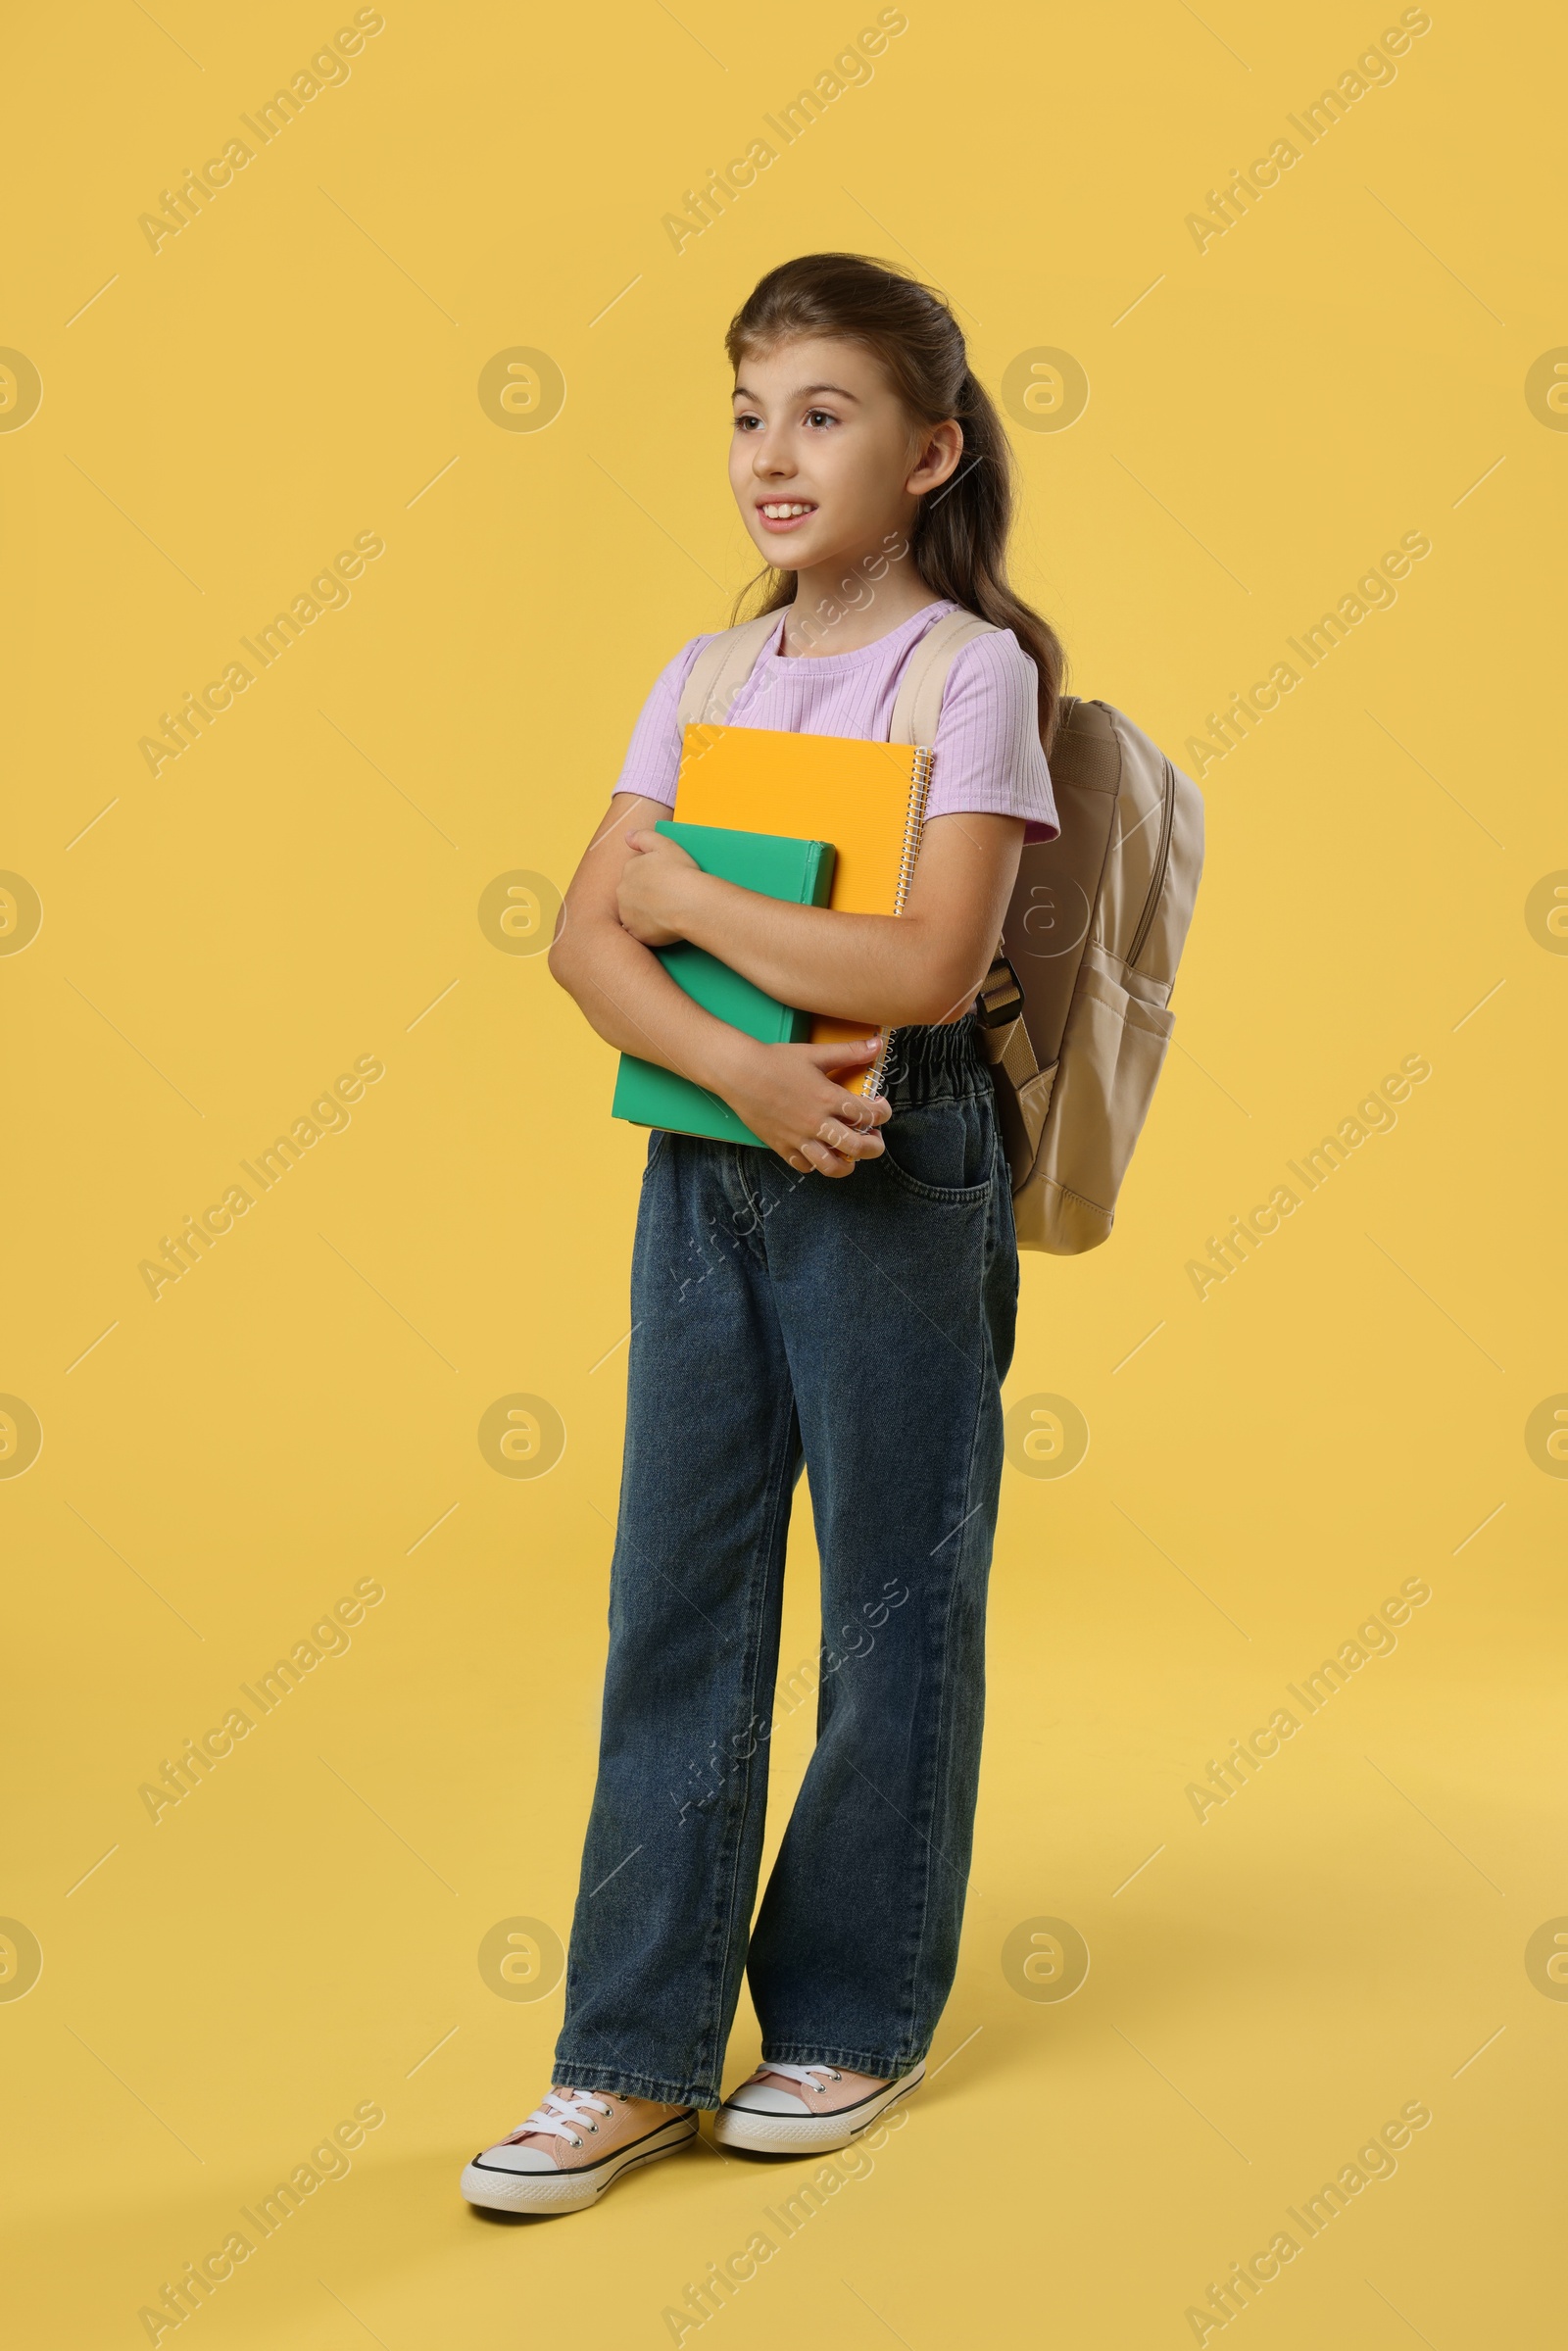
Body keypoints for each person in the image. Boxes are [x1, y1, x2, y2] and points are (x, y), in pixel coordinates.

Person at [462, 252, 1063, 2215]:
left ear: (927, 451)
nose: (771, 453)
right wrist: (747, 1078)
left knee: (895, 1600)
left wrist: (691, 911)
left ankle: (848, 2014)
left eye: (821, 412)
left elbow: (922, 954)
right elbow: (575, 939)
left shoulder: (962, 672)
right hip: (717, 1160)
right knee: (678, 1599)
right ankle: (627, 2057)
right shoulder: (705, 676)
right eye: (745, 413)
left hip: (897, 1160)